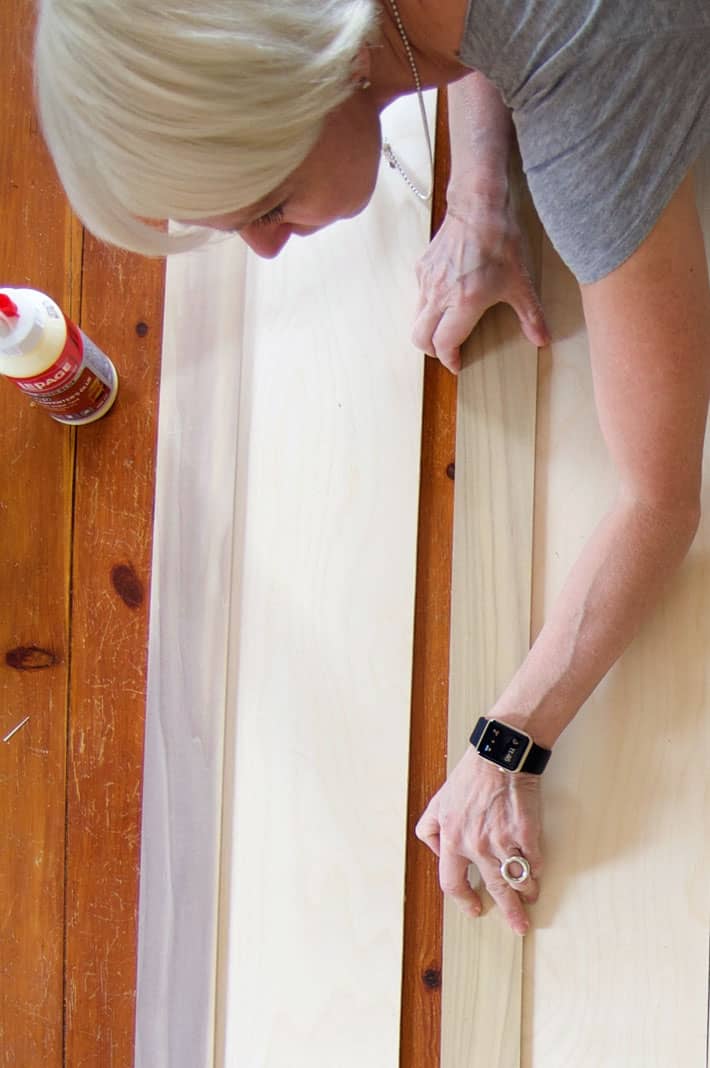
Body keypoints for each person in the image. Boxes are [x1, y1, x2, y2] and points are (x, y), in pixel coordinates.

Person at [35, 0, 710, 938]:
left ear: (329, 73)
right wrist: (480, 192)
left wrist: (505, 746)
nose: (268, 247)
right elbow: (455, 35)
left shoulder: (588, 80)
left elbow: (660, 497)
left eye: (267, 205)